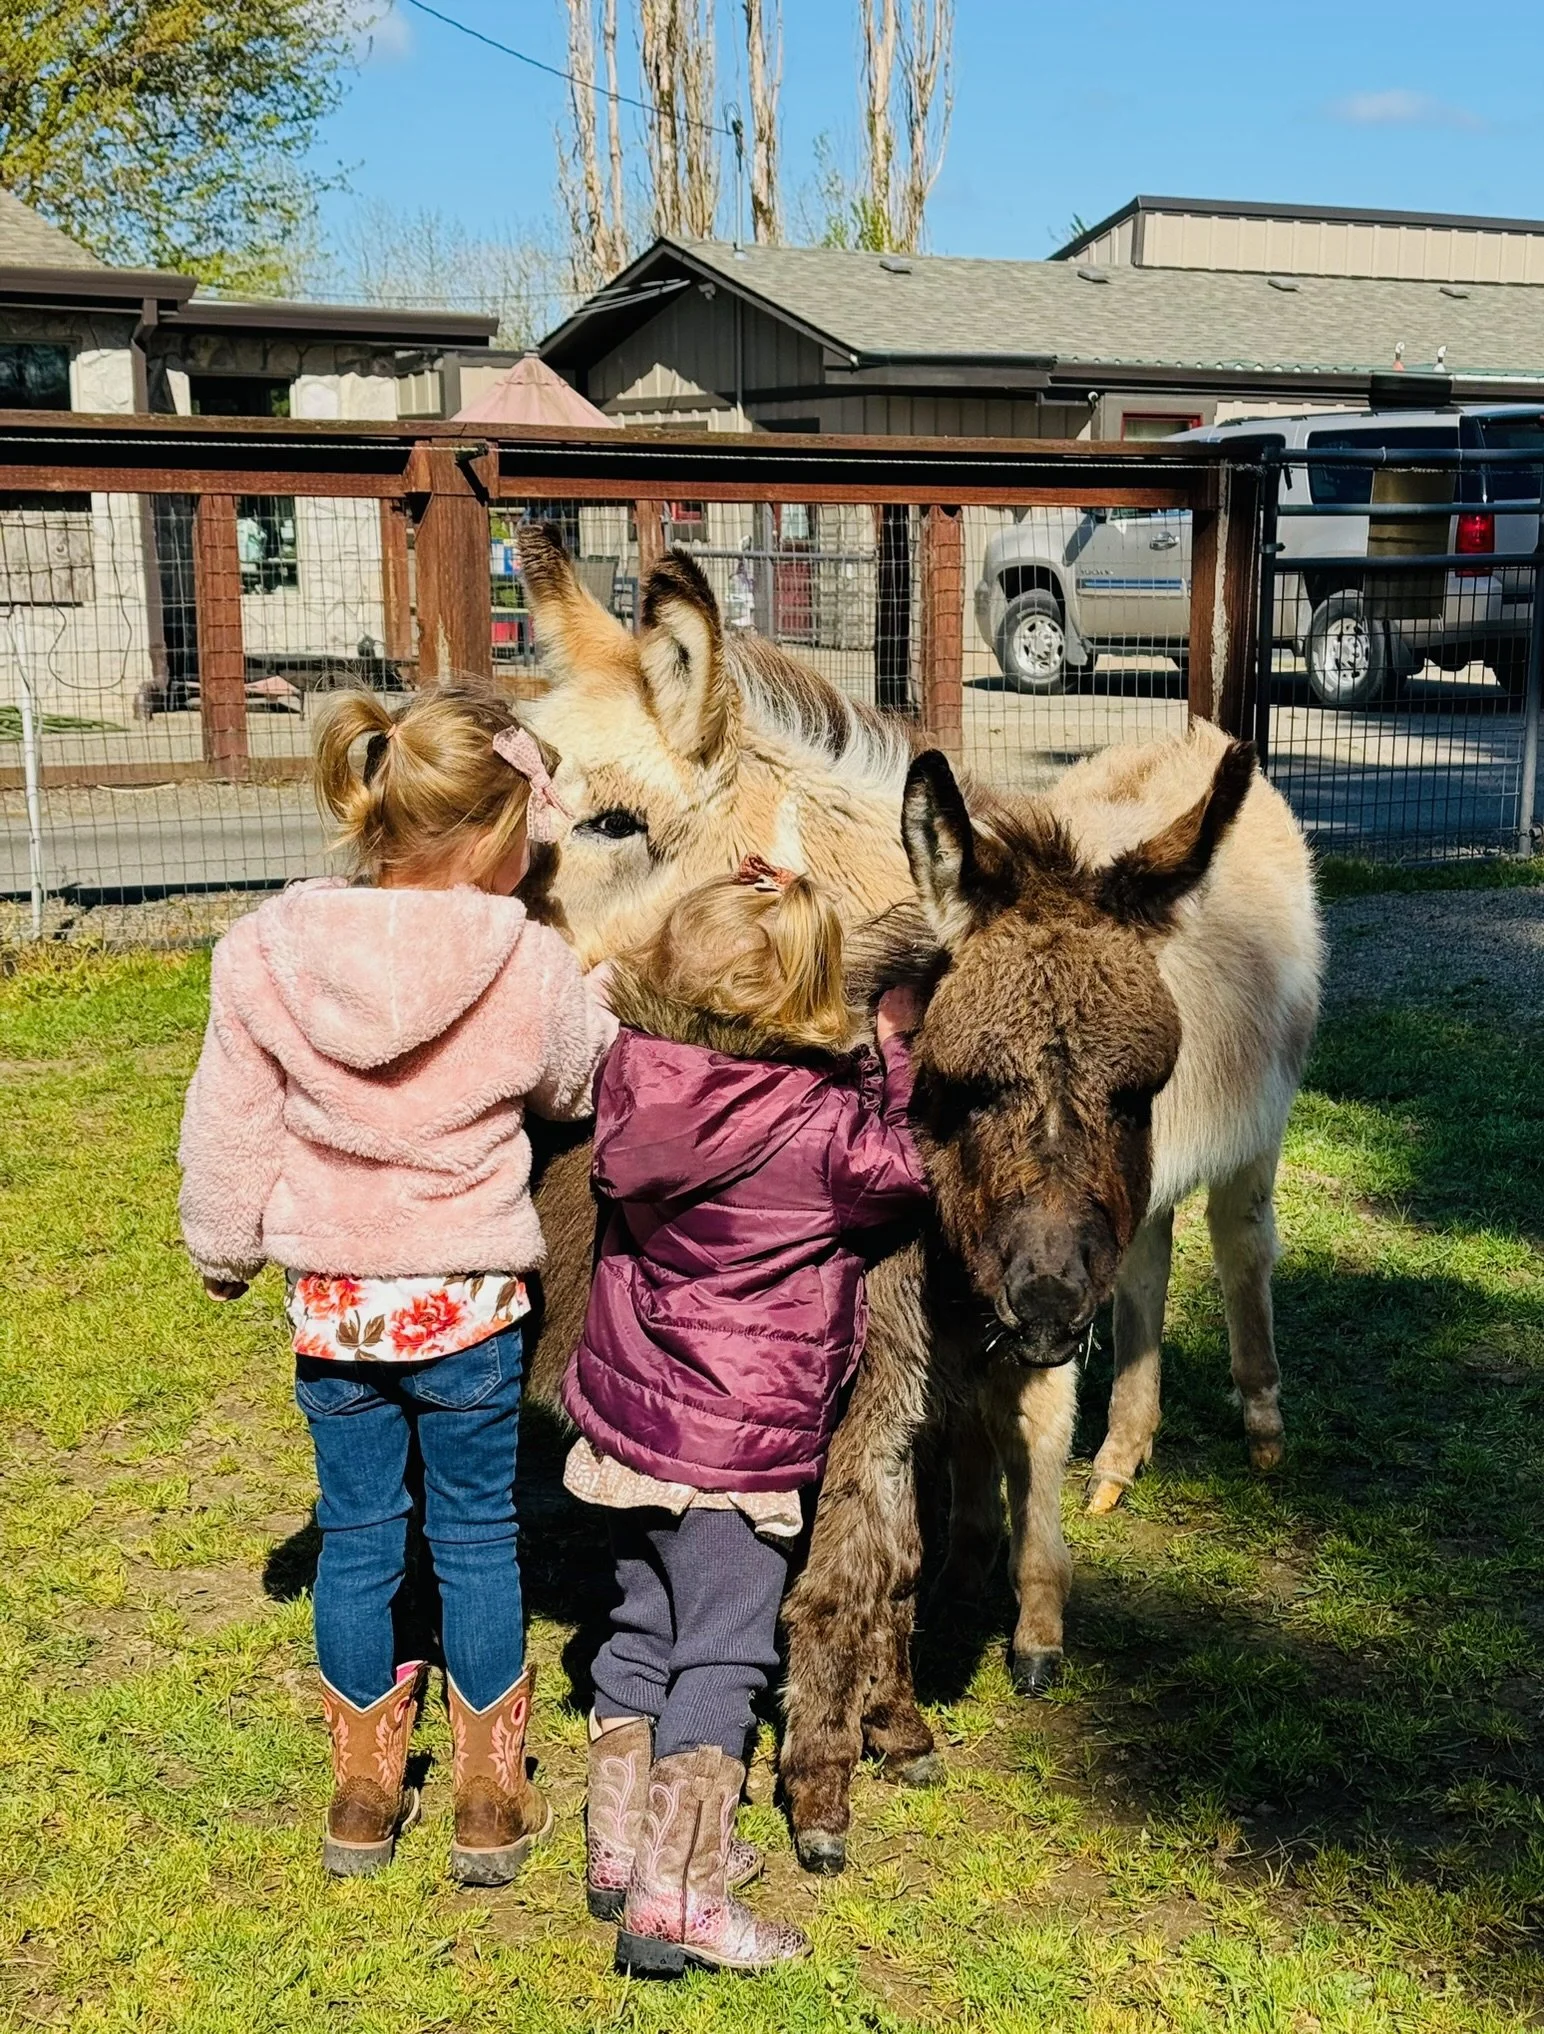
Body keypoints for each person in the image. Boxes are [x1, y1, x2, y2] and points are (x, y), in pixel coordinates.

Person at [177, 684, 616, 1884]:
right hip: (468, 1305)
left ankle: (363, 1796)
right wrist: (604, 994)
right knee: (478, 1533)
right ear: (492, 835)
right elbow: (581, 1082)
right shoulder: (524, 962)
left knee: (362, 1536)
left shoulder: (266, 951)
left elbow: (229, 1123)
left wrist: (223, 1246)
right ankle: (487, 1799)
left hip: (336, 1304)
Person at [562, 856, 928, 1976]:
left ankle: (619, 1850)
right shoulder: (822, 1124)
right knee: (721, 1665)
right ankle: (682, 1900)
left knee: (636, 1632)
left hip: (626, 1434)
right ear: (812, 1003)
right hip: (739, 1447)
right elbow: (901, 1179)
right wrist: (892, 1060)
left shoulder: (633, 1080)